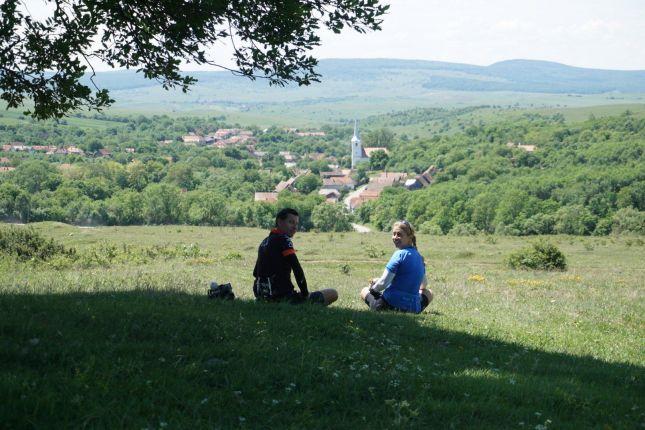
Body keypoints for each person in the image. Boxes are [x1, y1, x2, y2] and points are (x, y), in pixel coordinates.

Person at [253, 208, 338, 305]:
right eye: (291, 222)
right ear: (280, 222)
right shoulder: (284, 239)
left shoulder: (265, 241)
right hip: (282, 297)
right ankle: (304, 303)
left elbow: (256, 272)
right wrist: (305, 294)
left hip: (262, 296)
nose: (294, 227)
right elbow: (297, 268)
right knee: (333, 293)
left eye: (296, 224)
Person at [360, 220, 433, 313]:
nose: (395, 237)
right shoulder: (419, 257)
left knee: (364, 290)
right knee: (429, 293)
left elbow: (383, 283)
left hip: (389, 305)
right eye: (394, 234)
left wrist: (372, 289)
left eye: (399, 234)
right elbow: (423, 285)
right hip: (413, 309)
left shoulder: (399, 254)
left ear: (409, 238)